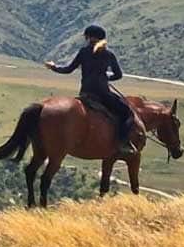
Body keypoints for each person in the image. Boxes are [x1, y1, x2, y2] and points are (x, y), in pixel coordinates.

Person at [45, 24, 136, 156]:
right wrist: (105, 78)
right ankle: (122, 142)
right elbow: (118, 75)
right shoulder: (108, 54)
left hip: (86, 93)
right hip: (103, 93)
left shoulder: (83, 52)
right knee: (127, 113)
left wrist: (53, 67)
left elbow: (68, 69)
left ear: (89, 37)